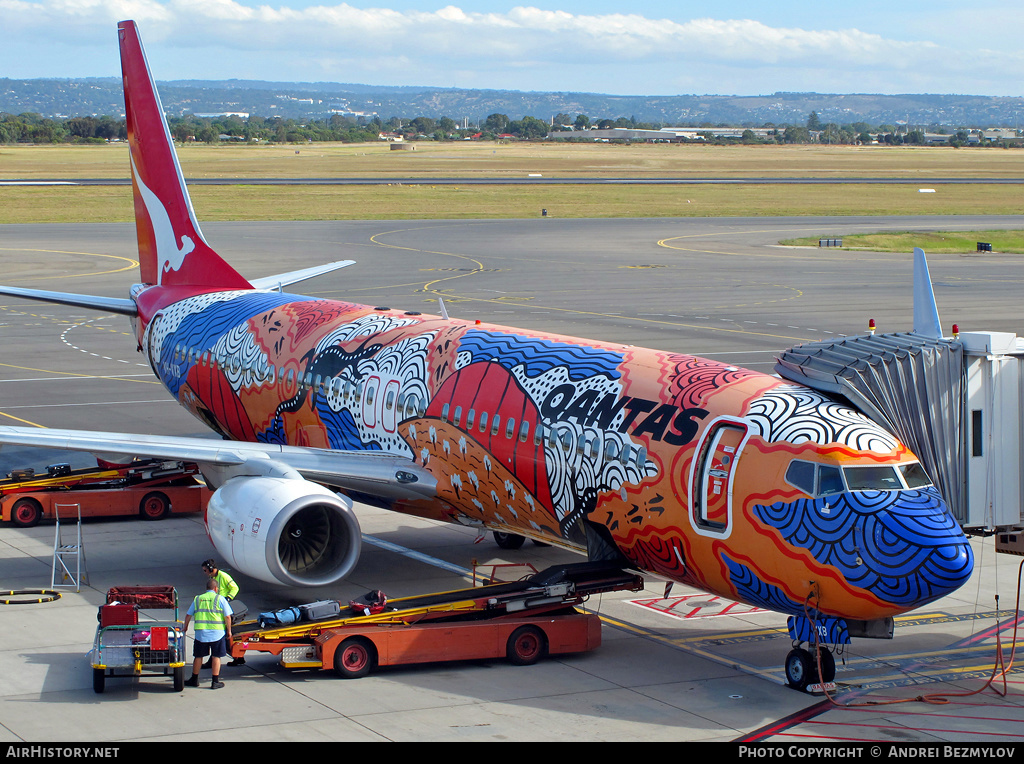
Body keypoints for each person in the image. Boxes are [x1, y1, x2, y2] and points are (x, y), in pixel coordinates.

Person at [182, 578, 233, 689]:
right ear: (216, 588)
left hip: (201, 633)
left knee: (198, 656)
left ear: (207, 589)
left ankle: (194, 679)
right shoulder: (220, 599)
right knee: (216, 656)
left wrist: (185, 627)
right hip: (217, 633)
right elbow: (228, 616)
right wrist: (229, 631)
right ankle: (215, 682)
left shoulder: (198, 599)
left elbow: (188, 615)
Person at [200, 559, 245, 666]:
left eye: (205, 570)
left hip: (223, 608)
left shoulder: (223, 576)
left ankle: (213, 661)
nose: (204, 573)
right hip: (218, 609)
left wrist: (228, 599)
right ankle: (239, 658)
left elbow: (235, 588)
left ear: (211, 569)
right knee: (224, 636)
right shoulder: (213, 578)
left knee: (220, 637)